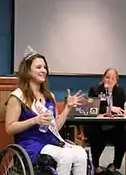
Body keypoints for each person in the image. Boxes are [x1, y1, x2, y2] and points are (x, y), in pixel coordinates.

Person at [5, 46, 87, 175]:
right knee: (65, 156)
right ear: (27, 71)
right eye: (38, 67)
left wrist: (68, 108)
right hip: (30, 144)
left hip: (50, 141)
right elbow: (9, 128)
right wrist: (34, 120)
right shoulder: (17, 97)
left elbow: (56, 127)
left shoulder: (49, 96)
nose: (43, 70)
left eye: (45, 67)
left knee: (81, 153)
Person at [85, 68, 126, 174]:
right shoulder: (95, 90)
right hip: (97, 125)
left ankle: (115, 164)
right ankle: (95, 165)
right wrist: (109, 109)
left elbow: (123, 107)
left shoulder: (120, 91)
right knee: (97, 137)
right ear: (103, 78)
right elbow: (92, 107)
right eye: (107, 77)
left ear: (116, 80)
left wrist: (123, 112)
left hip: (114, 125)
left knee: (123, 140)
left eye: (113, 78)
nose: (110, 80)